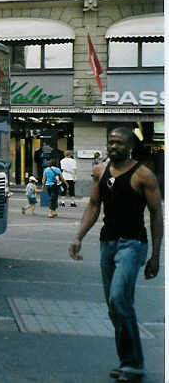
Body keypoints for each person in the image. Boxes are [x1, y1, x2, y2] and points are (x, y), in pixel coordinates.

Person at [69, 127, 163, 382]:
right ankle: (128, 362)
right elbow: (93, 205)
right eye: (111, 141)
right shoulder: (100, 171)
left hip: (132, 245)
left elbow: (156, 213)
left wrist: (155, 255)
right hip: (107, 244)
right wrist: (79, 236)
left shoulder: (144, 175)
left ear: (129, 146)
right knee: (114, 307)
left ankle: (133, 365)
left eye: (119, 142)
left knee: (120, 299)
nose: (113, 145)